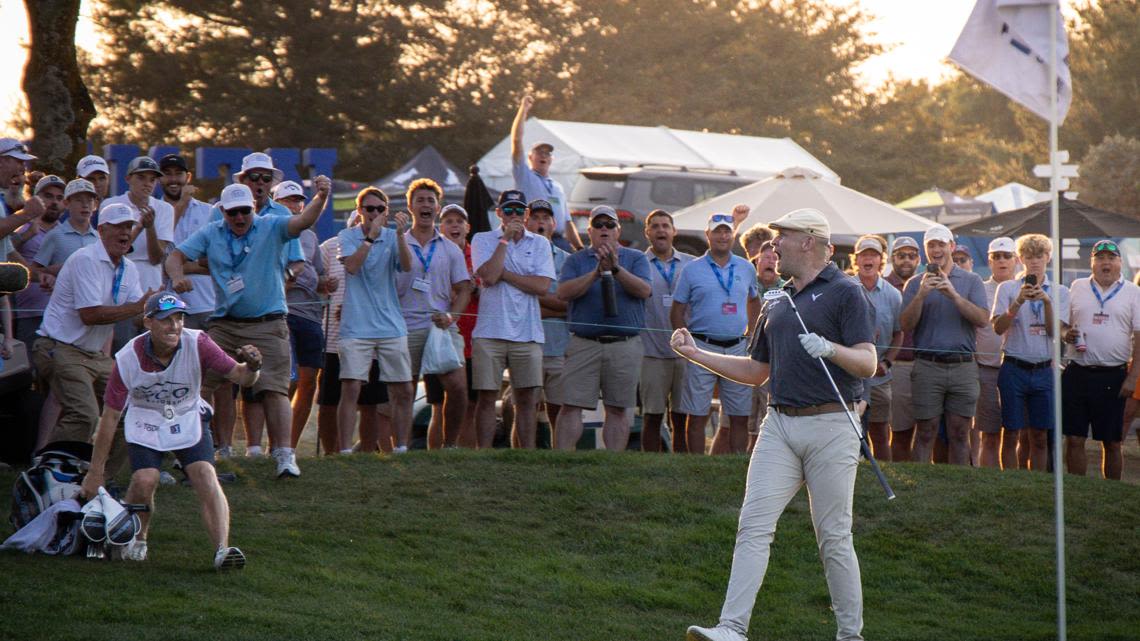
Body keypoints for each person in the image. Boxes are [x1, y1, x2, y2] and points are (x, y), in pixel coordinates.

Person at [676, 208, 876, 641]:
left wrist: (830, 349)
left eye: (781, 237)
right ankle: (732, 627)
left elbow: (868, 362)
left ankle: (849, 635)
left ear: (808, 241)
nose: (773, 246)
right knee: (753, 524)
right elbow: (755, 371)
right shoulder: (779, 298)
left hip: (831, 425)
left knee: (834, 536)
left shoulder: (846, 292)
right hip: (779, 424)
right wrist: (696, 353)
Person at [80, 292, 259, 569]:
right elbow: (110, 417)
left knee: (205, 474)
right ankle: (136, 537)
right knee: (144, 480)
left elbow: (240, 376)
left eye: (179, 318)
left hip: (187, 413)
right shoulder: (128, 357)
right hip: (146, 417)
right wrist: (95, 472)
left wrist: (254, 367)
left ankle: (222, 550)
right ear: (148, 322)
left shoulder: (199, 342)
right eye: (166, 320)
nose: (174, 325)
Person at [167, 179, 328, 478]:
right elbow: (175, 256)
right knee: (200, 383)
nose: (239, 218)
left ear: (254, 208)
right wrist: (177, 278)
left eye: (245, 211)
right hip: (224, 326)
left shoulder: (272, 225)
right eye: (232, 213)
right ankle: (190, 449)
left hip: (268, 323)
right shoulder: (212, 232)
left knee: (274, 389)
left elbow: (305, 220)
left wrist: (322, 196)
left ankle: (284, 456)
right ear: (223, 212)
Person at [33, 203, 152, 444]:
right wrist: (139, 306)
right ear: (101, 231)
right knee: (85, 415)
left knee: (129, 412)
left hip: (92, 355)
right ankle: (50, 471)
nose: (125, 232)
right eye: (118, 227)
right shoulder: (85, 259)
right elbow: (91, 315)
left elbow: (138, 315)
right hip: (60, 348)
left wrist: (159, 308)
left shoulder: (129, 268)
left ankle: (100, 477)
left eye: (129, 226)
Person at [555, 205, 652, 451]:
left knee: (618, 407)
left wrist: (616, 269)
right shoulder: (576, 260)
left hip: (624, 345)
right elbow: (563, 293)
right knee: (571, 405)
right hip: (584, 344)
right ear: (590, 231)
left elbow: (644, 291)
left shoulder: (636, 258)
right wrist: (596, 274)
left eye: (610, 225)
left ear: (618, 230)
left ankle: (613, 463)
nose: (604, 229)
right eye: (598, 225)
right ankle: (562, 460)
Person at [471, 189, 556, 448]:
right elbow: (487, 277)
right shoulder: (482, 239)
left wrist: (506, 274)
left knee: (528, 398)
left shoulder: (540, 243)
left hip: (528, 333)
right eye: (508, 210)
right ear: (499, 213)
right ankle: (483, 454)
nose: (515, 215)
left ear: (526, 213)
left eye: (519, 210)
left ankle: (526, 455)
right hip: (489, 332)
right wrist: (504, 241)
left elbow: (542, 286)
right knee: (486, 397)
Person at [670, 213, 760, 455]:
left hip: (737, 348)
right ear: (707, 234)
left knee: (740, 414)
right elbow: (677, 309)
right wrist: (684, 343)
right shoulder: (692, 269)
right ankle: (697, 466)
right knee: (697, 413)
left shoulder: (746, 267)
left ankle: (736, 465)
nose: (723, 235)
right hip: (701, 346)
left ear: (733, 235)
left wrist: (752, 334)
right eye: (717, 231)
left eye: (727, 231)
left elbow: (754, 301)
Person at [900, 224, 989, 465]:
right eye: (931, 245)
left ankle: (959, 489)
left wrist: (954, 296)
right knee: (926, 430)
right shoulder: (915, 283)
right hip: (928, 366)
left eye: (941, 244)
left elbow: (982, 319)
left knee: (960, 432)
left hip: (963, 366)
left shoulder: (971, 280)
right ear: (925, 249)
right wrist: (920, 295)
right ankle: (918, 488)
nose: (936, 249)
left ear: (951, 246)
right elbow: (906, 325)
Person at [336, 187, 414, 453]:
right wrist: (370, 238)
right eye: (369, 209)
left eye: (380, 209)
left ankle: (402, 447)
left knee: (403, 388)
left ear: (386, 211)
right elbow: (352, 267)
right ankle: (345, 450)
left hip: (391, 324)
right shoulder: (347, 235)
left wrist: (401, 236)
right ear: (360, 211)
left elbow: (406, 266)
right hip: (356, 325)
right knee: (351, 388)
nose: (375, 214)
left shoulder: (394, 236)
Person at [397, 178, 472, 448]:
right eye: (421, 200)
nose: (426, 205)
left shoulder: (450, 249)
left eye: (430, 201)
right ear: (410, 206)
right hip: (405, 327)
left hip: (441, 327)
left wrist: (452, 316)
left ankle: (449, 446)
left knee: (459, 389)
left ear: (437, 207)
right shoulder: (397, 242)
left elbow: (464, 288)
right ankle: (401, 449)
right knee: (403, 391)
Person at [313, 212, 391, 454]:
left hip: (371, 337)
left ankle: (366, 453)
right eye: (358, 220)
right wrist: (324, 284)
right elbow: (315, 283)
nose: (363, 223)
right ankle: (331, 453)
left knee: (369, 402)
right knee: (328, 400)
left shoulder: (384, 246)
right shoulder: (330, 247)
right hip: (335, 338)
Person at [991, 234, 1069, 472]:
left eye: (1039, 256)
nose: (1034, 261)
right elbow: (998, 328)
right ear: (1020, 258)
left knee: (1040, 434)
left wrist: (1046, 302)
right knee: (1011, 430)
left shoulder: (1060, 291)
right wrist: (1017, 303)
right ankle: (1010, 483)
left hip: (1044, 368)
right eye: (1029, 256)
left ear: (1048, 257)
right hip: (1014, 366)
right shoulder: (1007, 288)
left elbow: (1054, 332)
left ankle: (1038, 485)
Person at [1066, 240, 1139, 480]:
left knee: (1112, 441)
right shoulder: (1076, 286)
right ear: (1092, 263)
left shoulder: (1133, 291)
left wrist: (1133, 378)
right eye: (1100, 258)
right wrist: (1067, 335)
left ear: (1120, 263)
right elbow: (1063, 327)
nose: (1105, 263)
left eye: (1111, 258)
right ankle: (1078, 490)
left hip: (1113, 374)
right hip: (1078, 371)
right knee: (1075, 437)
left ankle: (1111, 491)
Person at [271, 180, 330, 456]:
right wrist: (286, 279)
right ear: (276, 204)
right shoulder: (270, 230)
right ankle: (274, 446)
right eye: (289, 200)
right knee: (285, 380)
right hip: (281, 312)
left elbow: (317, 276)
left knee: (309, 381)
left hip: (310, 315)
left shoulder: (310, 236)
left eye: (299, 201)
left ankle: (289, 447)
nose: (295, 205)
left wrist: (326, 282)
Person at [640, 209, 695, 452]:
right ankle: (650, 465)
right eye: (655, 226)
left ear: (674, 231)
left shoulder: (691, 264)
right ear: (647, 232)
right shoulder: (638, 264)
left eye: (665, 225)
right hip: (651, 352)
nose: (661, 230)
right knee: (652, 415)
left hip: (686, 352)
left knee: (682, 415)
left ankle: (681, 463)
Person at [850, 234, 902, 460]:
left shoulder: (893, 294)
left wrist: (887, 362)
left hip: (879, 376)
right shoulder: (844, 287)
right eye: (864, 255)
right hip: (849, 374)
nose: (868, 259)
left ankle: (884, 473)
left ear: (881, 260)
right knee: (850, 431)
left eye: (873, 255)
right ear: (856, 260)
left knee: (880, 431)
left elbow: (899, 334)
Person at [510, 95, 582, 251]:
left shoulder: (557, 187)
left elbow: (567, 222)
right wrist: (523, 110)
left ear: (552, 159)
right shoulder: (524, 176)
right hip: (533, 239)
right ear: (530, 157)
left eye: (547, 153)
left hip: (558, 241)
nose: (543, 155)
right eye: (539, 152)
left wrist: (579, 248)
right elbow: (516, 141)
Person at [99, 156, 175, 297]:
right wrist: (140, 226)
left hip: (151, 278)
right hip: (117, 272)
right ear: (128, 179)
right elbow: (109, 252)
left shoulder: (165, 209)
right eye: (141, 177)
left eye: (152, 180)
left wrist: (150, 227)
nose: (147, 184)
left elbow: (156, 259)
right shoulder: (110, 205)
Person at [528, 199, 571, 439]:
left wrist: (533, 295)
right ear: (526, 222)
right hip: (526, 344)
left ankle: (559, 457)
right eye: (535, 218)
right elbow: (517, 304)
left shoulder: (568, 260)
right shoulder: (518, 256)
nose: (540, 222)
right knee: (525, 408)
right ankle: (525, 457)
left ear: (554, 224)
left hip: (559, 346)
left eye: (546, 218)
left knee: (559, 409)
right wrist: (555, 303)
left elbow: (570, 304)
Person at [438, 203, 480, 447]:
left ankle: (465, 457)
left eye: (459, 221)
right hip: (443, 336)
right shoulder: (434, 252)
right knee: (437, 404)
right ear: (441, 226)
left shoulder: (479, 254)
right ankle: (438, 453)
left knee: (470, 404)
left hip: (472, 339)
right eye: (449, 221)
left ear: (468, 227)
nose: (454, 225)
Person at [159, 153, 216, 330]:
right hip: (168, 308)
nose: (173, 179)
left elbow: (217, 262)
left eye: (179, 174)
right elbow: (157, 260)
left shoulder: (209, 212)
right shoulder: (154, 211)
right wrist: (182, 203)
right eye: (167, 173)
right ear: (159, 178)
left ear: (188, 177)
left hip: (208, 304)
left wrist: (174, 267)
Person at [976, 237, 1018, 469]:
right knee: (989, 434)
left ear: (1016, 260)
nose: (1002, 261)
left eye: (1007, 256)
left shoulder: (1026, 288)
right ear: (990, 261)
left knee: (1017, 433)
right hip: (987, 369)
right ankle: (989, 483)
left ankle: (1017, 484)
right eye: (996, 257)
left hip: (1018, 368)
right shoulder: (979, 289)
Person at [11, 175, 65, 347]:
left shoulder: (68, 233)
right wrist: (27, 235)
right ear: (37, 198)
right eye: (48, 196)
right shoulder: (23, 228)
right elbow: (5, 251)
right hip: (30, 314)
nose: (54, 202)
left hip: (62, 316)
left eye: (59, 197)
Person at [885, 236, 920, 461]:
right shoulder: (884, 286)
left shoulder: (925, 282)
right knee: (900, 431)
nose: (906, 260)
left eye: (911, 255)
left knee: (928, 429)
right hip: (897, 364)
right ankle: (903, 478)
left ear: (918, 259)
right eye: (901, 255)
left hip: (926, 364)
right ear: (892, 258)